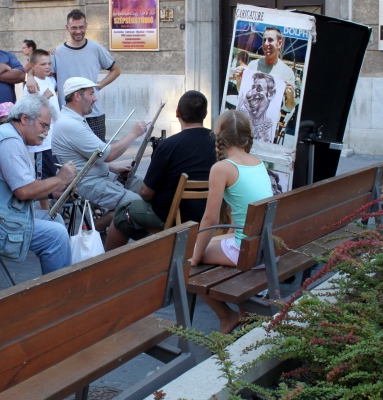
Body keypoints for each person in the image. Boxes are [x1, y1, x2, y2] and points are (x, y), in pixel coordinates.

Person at [0, 95, 78, 275]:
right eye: (44, 126)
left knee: (55, 220)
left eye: (48, 128)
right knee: (56, 236)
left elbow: (22, 189)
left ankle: (60, 283)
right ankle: (59, 289)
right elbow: (24, 191)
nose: (46, 133)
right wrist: (60, 178)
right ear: (25, 119)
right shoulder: (9, 142)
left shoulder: (10, 136)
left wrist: (55, 191)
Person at [189, 110, 273, 333]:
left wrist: (194, 258)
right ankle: (245, 313)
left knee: (183, 258)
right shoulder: (258, 163)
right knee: (203, 245)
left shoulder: (222, 168)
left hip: (247, 250)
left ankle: (227, 316)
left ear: (219, 136)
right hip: (265, 246)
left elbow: (210, 219)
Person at [110, 91, 217, 249]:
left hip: (173, 217)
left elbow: (146, 193)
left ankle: (109, 260)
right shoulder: (219, 143)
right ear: (205, 114)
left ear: (177, 113)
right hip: (210, 214)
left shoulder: (168, 145)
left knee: (123, 212)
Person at [51, 77, 146, 249]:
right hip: (86, 183)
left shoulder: (75, 120)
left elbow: (90, 156)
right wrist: (134, 133)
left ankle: (110, 228)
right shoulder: (71, 124)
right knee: (134, 204)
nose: (95, 99)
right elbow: (107, 154)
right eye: (91, 94)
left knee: (142, 187)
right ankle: (94, 229)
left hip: (97, 176)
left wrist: (113, 168)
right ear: (77, 96)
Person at [45, 10, 120, 141]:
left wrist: (100, 85)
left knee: (98, 152)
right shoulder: (57, 52)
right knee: (70, 154)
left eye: (81, 27)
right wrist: (30, 77)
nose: (78, 31)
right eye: (74, 27)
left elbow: (116, 70)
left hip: (94, 113)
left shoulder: (96, 48)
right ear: (67, 28)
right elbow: (47, 76)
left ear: (86, 26)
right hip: (68, 115)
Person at [26, 49, 60, 180]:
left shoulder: (50, 80)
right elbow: (30, 111)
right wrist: (44, 97)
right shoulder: (32, 86)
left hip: (53, 138)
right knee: (44, 177)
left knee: (53, 173)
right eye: (43, 64)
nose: (47, 67)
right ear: (33, 66)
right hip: (42, 141)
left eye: (49, 63)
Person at [238, 71, 277, 143]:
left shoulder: (267, 131)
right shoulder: (244, 118)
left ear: (271, 94)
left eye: (259, 89)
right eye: (253, 88)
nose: (250, 94)